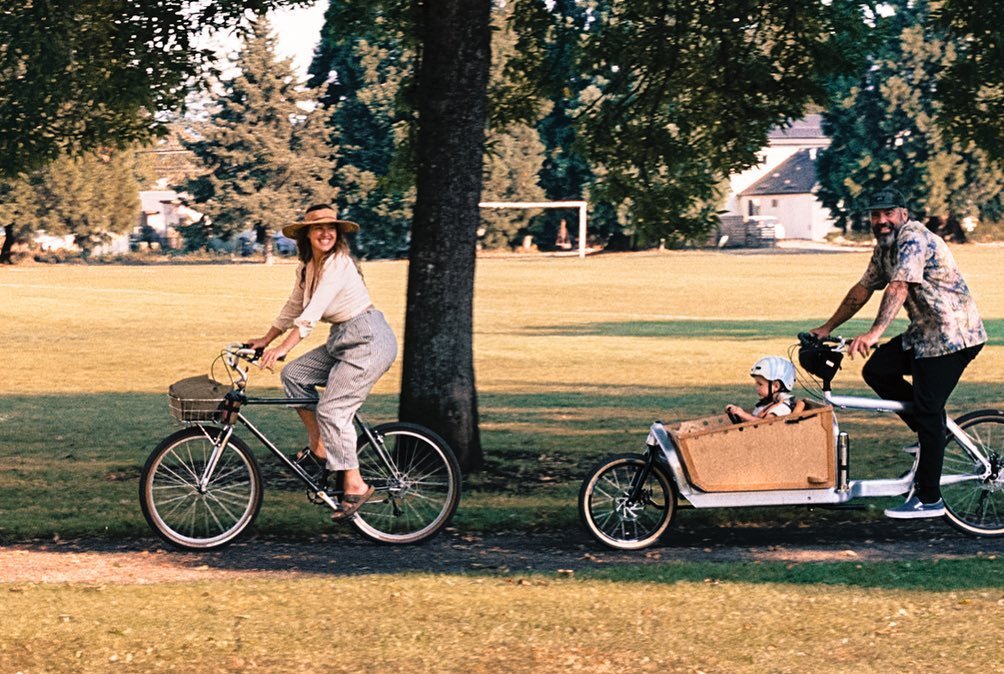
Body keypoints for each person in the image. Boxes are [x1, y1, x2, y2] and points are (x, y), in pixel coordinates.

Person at [809, 187, 986, 519]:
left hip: (954, 336)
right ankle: (932, 434)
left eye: (888, 213)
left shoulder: (913, 238)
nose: (881, 220)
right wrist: (826, 328)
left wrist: (875, 332)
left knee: (929, 407)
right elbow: (862, 289)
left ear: (904, 213)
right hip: (923, 335)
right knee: (877, 370)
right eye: (876, 215)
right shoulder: (884, 248)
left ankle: (929, 499)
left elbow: (899, 286)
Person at [245, 205, 398, 521]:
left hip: (368, 339)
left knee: (333, 409)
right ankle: (321, 446)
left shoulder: (339, 264)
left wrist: (284, 347)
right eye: (319, 228)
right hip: (343, 338)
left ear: (338, 233)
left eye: (332, 228)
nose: (326, 233)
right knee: (294, 375)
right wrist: (266, 339)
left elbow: (311, 314)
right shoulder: (307, 267)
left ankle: (355, 484)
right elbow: (293, 307)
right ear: (307, 234)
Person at [725, 356, 799, 423]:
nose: (756, 388)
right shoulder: (767, 404)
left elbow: (765, 425)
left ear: (776, 386)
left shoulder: (782, 406)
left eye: (760, 384)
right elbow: (754, 419)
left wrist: (743, 414)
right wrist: (737, 411)